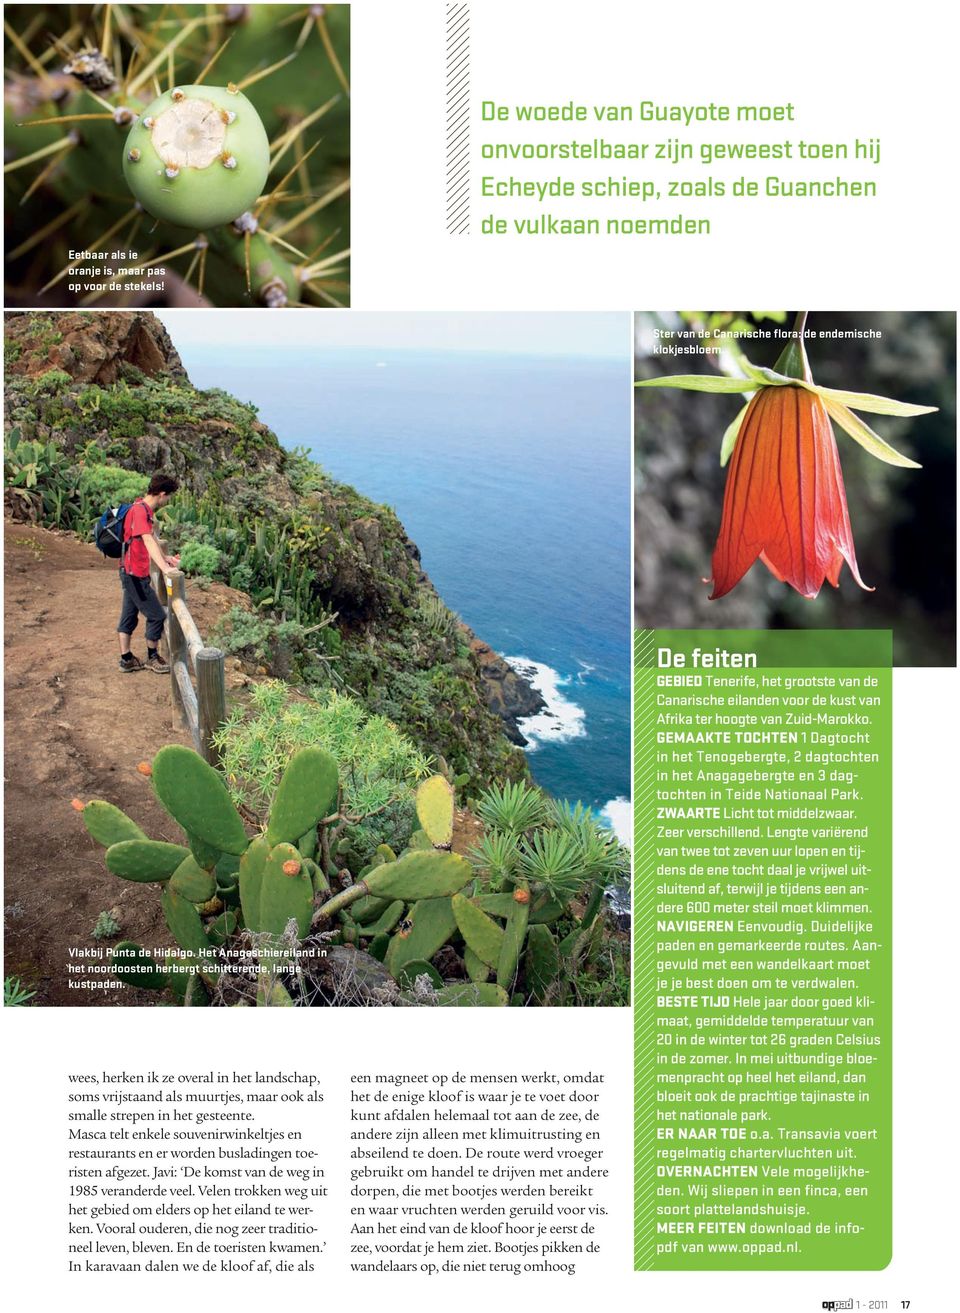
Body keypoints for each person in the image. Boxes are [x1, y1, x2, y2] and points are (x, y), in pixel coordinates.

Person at [117, 473, 180, 674]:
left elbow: (152, 537)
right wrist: (164, 568)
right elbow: (147, 540)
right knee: (156, 615)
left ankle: (126, 659)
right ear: (161, 494)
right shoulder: (139, 511)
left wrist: (166, 557)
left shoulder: (141, 507)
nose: (168, 501)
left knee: (128, 615)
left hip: (131, 572)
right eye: (168, 497)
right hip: (134, 574)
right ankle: (152, 657)